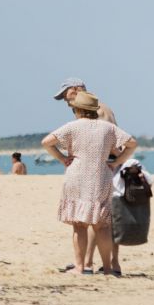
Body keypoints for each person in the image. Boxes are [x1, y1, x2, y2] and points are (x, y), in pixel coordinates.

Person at [42, 91, 137, 276]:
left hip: (76, 176)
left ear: (78, 109)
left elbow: (46, 142)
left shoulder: (72, 126)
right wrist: (117, 162)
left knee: (79, 224)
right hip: (101, 175)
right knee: (102, 225)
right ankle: (108, 268)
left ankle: (80, 267)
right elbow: (132, 143)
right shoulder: (107, 128)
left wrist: (62, 158)